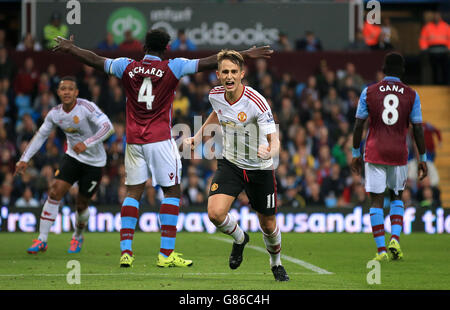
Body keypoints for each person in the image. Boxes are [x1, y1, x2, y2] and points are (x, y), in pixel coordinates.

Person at [52, 29, 272, 268]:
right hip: (159, 138)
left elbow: (95, 60)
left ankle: (126, 252)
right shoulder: (173, 66)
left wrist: (71, 49)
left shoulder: (126, 66)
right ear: (166, 48)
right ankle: (165, 254)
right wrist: (246, 54)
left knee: (133, 192)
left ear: (144, 47)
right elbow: (212, 61)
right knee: (172, 192)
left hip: (134, 140)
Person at [184, 50, 289, 281]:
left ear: (242, 74)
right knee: (215, 213)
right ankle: (241, 238)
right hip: (230, 163)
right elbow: (217, 114)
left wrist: (268, 151)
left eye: (234, 71)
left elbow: (275, 141)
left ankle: (276, 263)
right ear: (218, 75)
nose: (229, 76)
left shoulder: (257, 103)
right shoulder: (215, 95)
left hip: (259, 168)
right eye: (225, 72)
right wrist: (197, 137)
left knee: (269, 225)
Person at [14, 76, 114, 254]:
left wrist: (87, 143)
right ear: (58, 92)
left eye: (70, 89)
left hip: (95, 163)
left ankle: (77, 236)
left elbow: (108, 128)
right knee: (54, 191)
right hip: (73, 158)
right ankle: (42, 239)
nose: (66, 92)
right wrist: (24, 158)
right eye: (63, 89)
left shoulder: (87, 108)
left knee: (81, 204)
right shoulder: (55, 114)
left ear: (76, 92)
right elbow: (40, 136)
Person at [351, 52, 428, 262]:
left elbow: (359, 124)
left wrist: (355, 153)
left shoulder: (369, 92)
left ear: (384, 69)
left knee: (376, 201)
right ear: (402, 70)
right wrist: (423, 158)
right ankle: (395, 238)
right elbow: (418, 129)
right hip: (399, 153)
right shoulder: (412, 95)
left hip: (375, 151)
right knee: (396, 196)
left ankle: (381, 250)